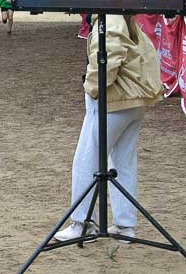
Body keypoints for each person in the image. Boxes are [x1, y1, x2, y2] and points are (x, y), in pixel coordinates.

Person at [54, 13, 163, 242]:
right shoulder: (122, 17)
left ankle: (82, 224)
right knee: (123, 161)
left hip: (114, 100)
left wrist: (92, 87)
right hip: (132, 99)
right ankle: (125, 226)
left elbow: (110, 55)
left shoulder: (110, 18)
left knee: (87, 159)